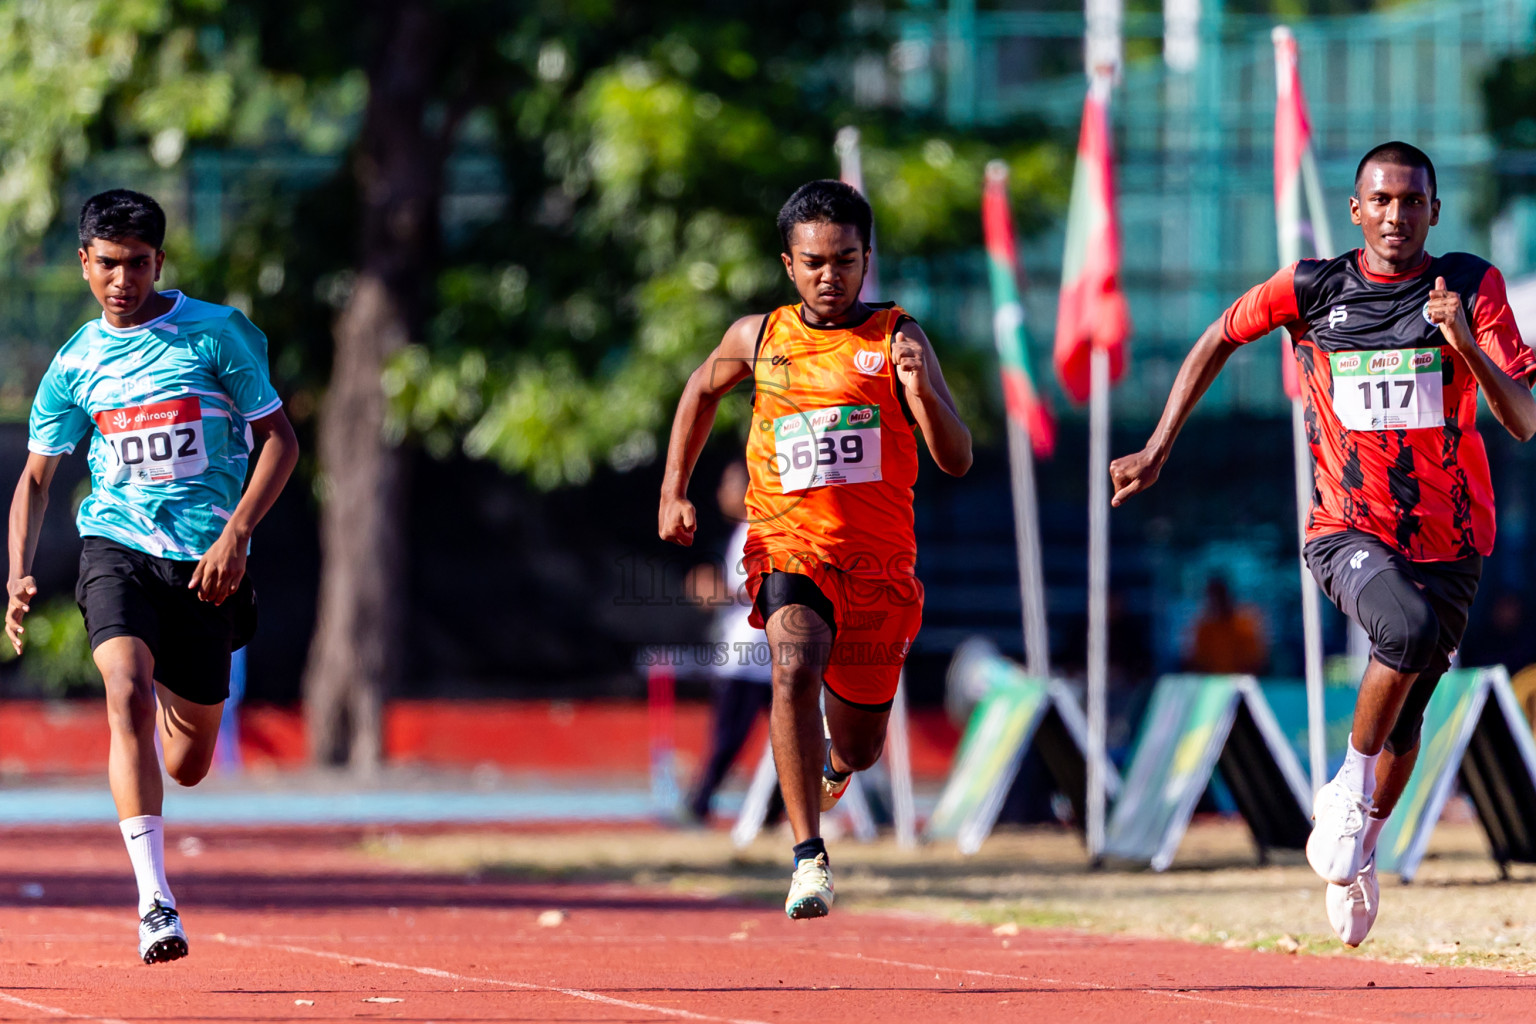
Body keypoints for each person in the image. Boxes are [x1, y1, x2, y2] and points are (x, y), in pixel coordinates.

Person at [1110, 142, 1536, 948]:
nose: (1396, 217)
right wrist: (1162, 442)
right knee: (1401, 632)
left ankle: (1365, 844)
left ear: (1434, 212)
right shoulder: (1312, 287)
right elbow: (1216, 338)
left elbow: (1523, 418)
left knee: (1409, 720)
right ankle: (1346, 781)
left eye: (1412, 202)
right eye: (1381, 201)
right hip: (1347, 526)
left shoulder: (1472, 286)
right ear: (1356, 209)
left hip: (1452, 538)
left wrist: (1466, 347)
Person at [659, 180, 971, 918]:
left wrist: (922, 393)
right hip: (790, 547)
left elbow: (955, 458)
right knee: (793, 663)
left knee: (861, 747)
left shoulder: (898, 337)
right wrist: (675, 488)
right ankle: (808, 857)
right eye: (814, 262)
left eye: (847, 259)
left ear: (868, 260)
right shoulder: (758, 339)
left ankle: (834, 763)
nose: (831, 276)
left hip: (879, 567)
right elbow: (699, 394)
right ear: (788, 264)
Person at [4, 190, 299, 963]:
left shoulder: (218, 334)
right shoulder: (75, 363)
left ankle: (181, 701)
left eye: (137, 264)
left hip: (206, 562)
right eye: (107, 264)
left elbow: (280, 441)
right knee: (124, 690)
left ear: (159, 261)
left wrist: (236, 534)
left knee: (188, 764)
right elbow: (36, 480)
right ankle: (155, 901)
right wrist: (17, 574)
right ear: (83, 264)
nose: (122, 280)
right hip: (117, 546)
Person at [1185, 576, 1269, 676]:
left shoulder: (1244, 624)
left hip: (1240, 682)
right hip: (1211, 683)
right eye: (1212, 598)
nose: (1216, 603)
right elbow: (1197, 661)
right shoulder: (1204, 628)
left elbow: (1255, 661)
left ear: (1229, 597)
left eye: (1219, 597)